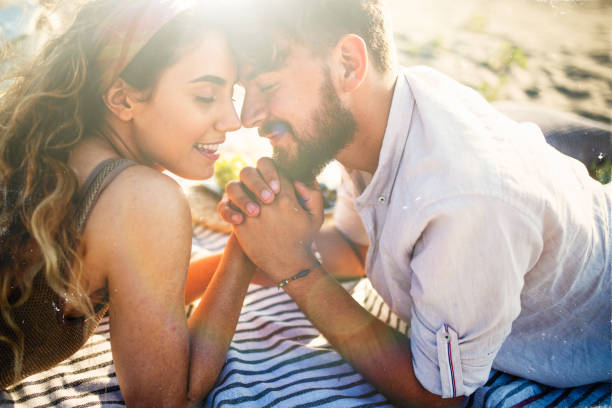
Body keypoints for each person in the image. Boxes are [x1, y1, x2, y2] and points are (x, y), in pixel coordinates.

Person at [218, 0, 612, 406]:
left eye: (266, 87)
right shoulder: (384, 117)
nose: (248, 117)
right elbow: (360, 249)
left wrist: (295, 270)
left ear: (349, 65)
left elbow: (438, 398)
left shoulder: (462, 199)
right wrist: (268, 246)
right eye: (245, 92)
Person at [0, 0, 253, 406]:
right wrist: (245, 253)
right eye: (206, 96)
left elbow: (145, 294)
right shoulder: (144, 199)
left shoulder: (52, 150)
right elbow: (167, 398)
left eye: (232, 94)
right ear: (122, 99)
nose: (233, 120)